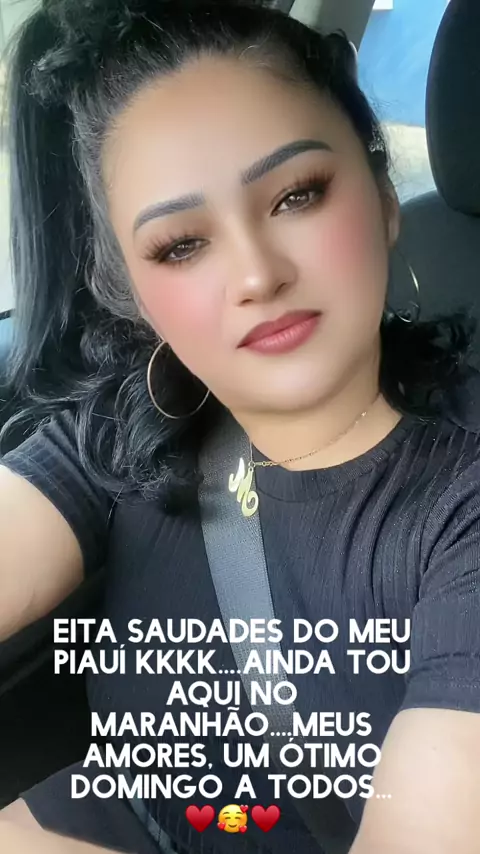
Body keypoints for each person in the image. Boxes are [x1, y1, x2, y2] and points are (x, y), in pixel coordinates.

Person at [0, 0, 479, 852]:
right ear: (129, 293)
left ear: (381, 195)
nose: (257, 274)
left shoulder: (460, 509)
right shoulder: (125, 427)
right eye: (181, 245)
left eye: (297, 194)